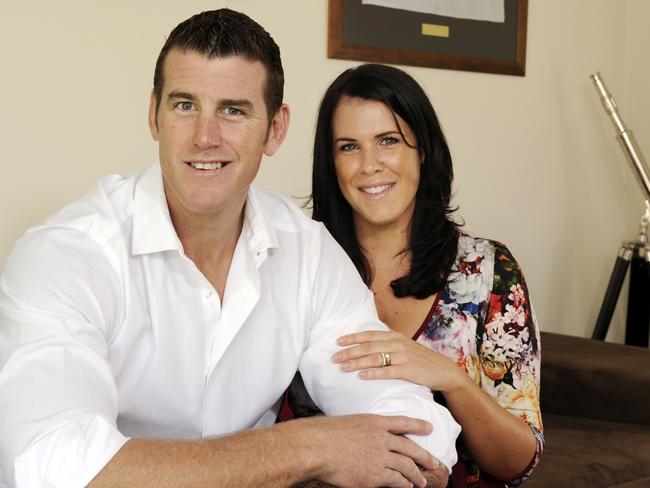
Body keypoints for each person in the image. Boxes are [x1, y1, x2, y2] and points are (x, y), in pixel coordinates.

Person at [0, 10, 461, 488]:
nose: (205, 137)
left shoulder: (308, 253)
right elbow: (51, 469)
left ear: (276, 130)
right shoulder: (66, 255)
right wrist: (307, 447)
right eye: (184, 105)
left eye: (233, 110)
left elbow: (419, 432)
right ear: (153, 114)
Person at [300, 64, 544, 487]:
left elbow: (517, 462)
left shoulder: (490, 271)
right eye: (348, 147)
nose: (369, 165)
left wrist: (451, 379)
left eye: (388, 141)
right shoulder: (299, 265)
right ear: (331, 162)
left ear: (423, 151)